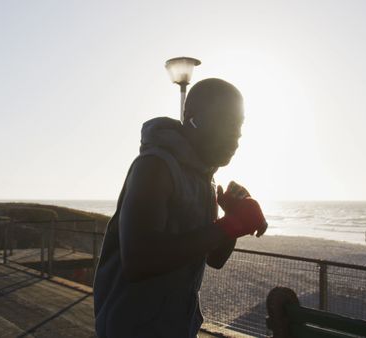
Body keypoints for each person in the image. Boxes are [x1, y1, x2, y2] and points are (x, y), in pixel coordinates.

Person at [93, 78, 267, 338]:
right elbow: (139, 260)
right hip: (131, 329)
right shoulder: (154, 167)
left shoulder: (206, 180)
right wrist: (228, 225)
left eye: (239, 124)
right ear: (193, 119)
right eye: (227, 120)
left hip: (178, 328)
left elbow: (215, 259)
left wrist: (232, 220)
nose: (236, 133)